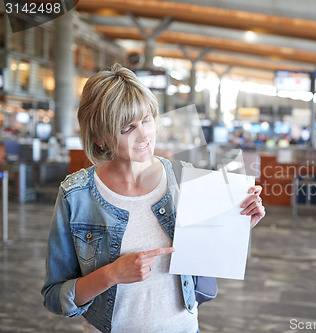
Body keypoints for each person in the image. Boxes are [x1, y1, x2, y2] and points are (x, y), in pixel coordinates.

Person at [41, 64, 266, 333]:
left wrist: (235, 224)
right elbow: (55, 296)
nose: (144, 135)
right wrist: (111, 274)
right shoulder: (76, 196)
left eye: (147, 120)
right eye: (127, 128)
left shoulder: (183, 178)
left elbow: (204, 258)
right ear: (100, 138)